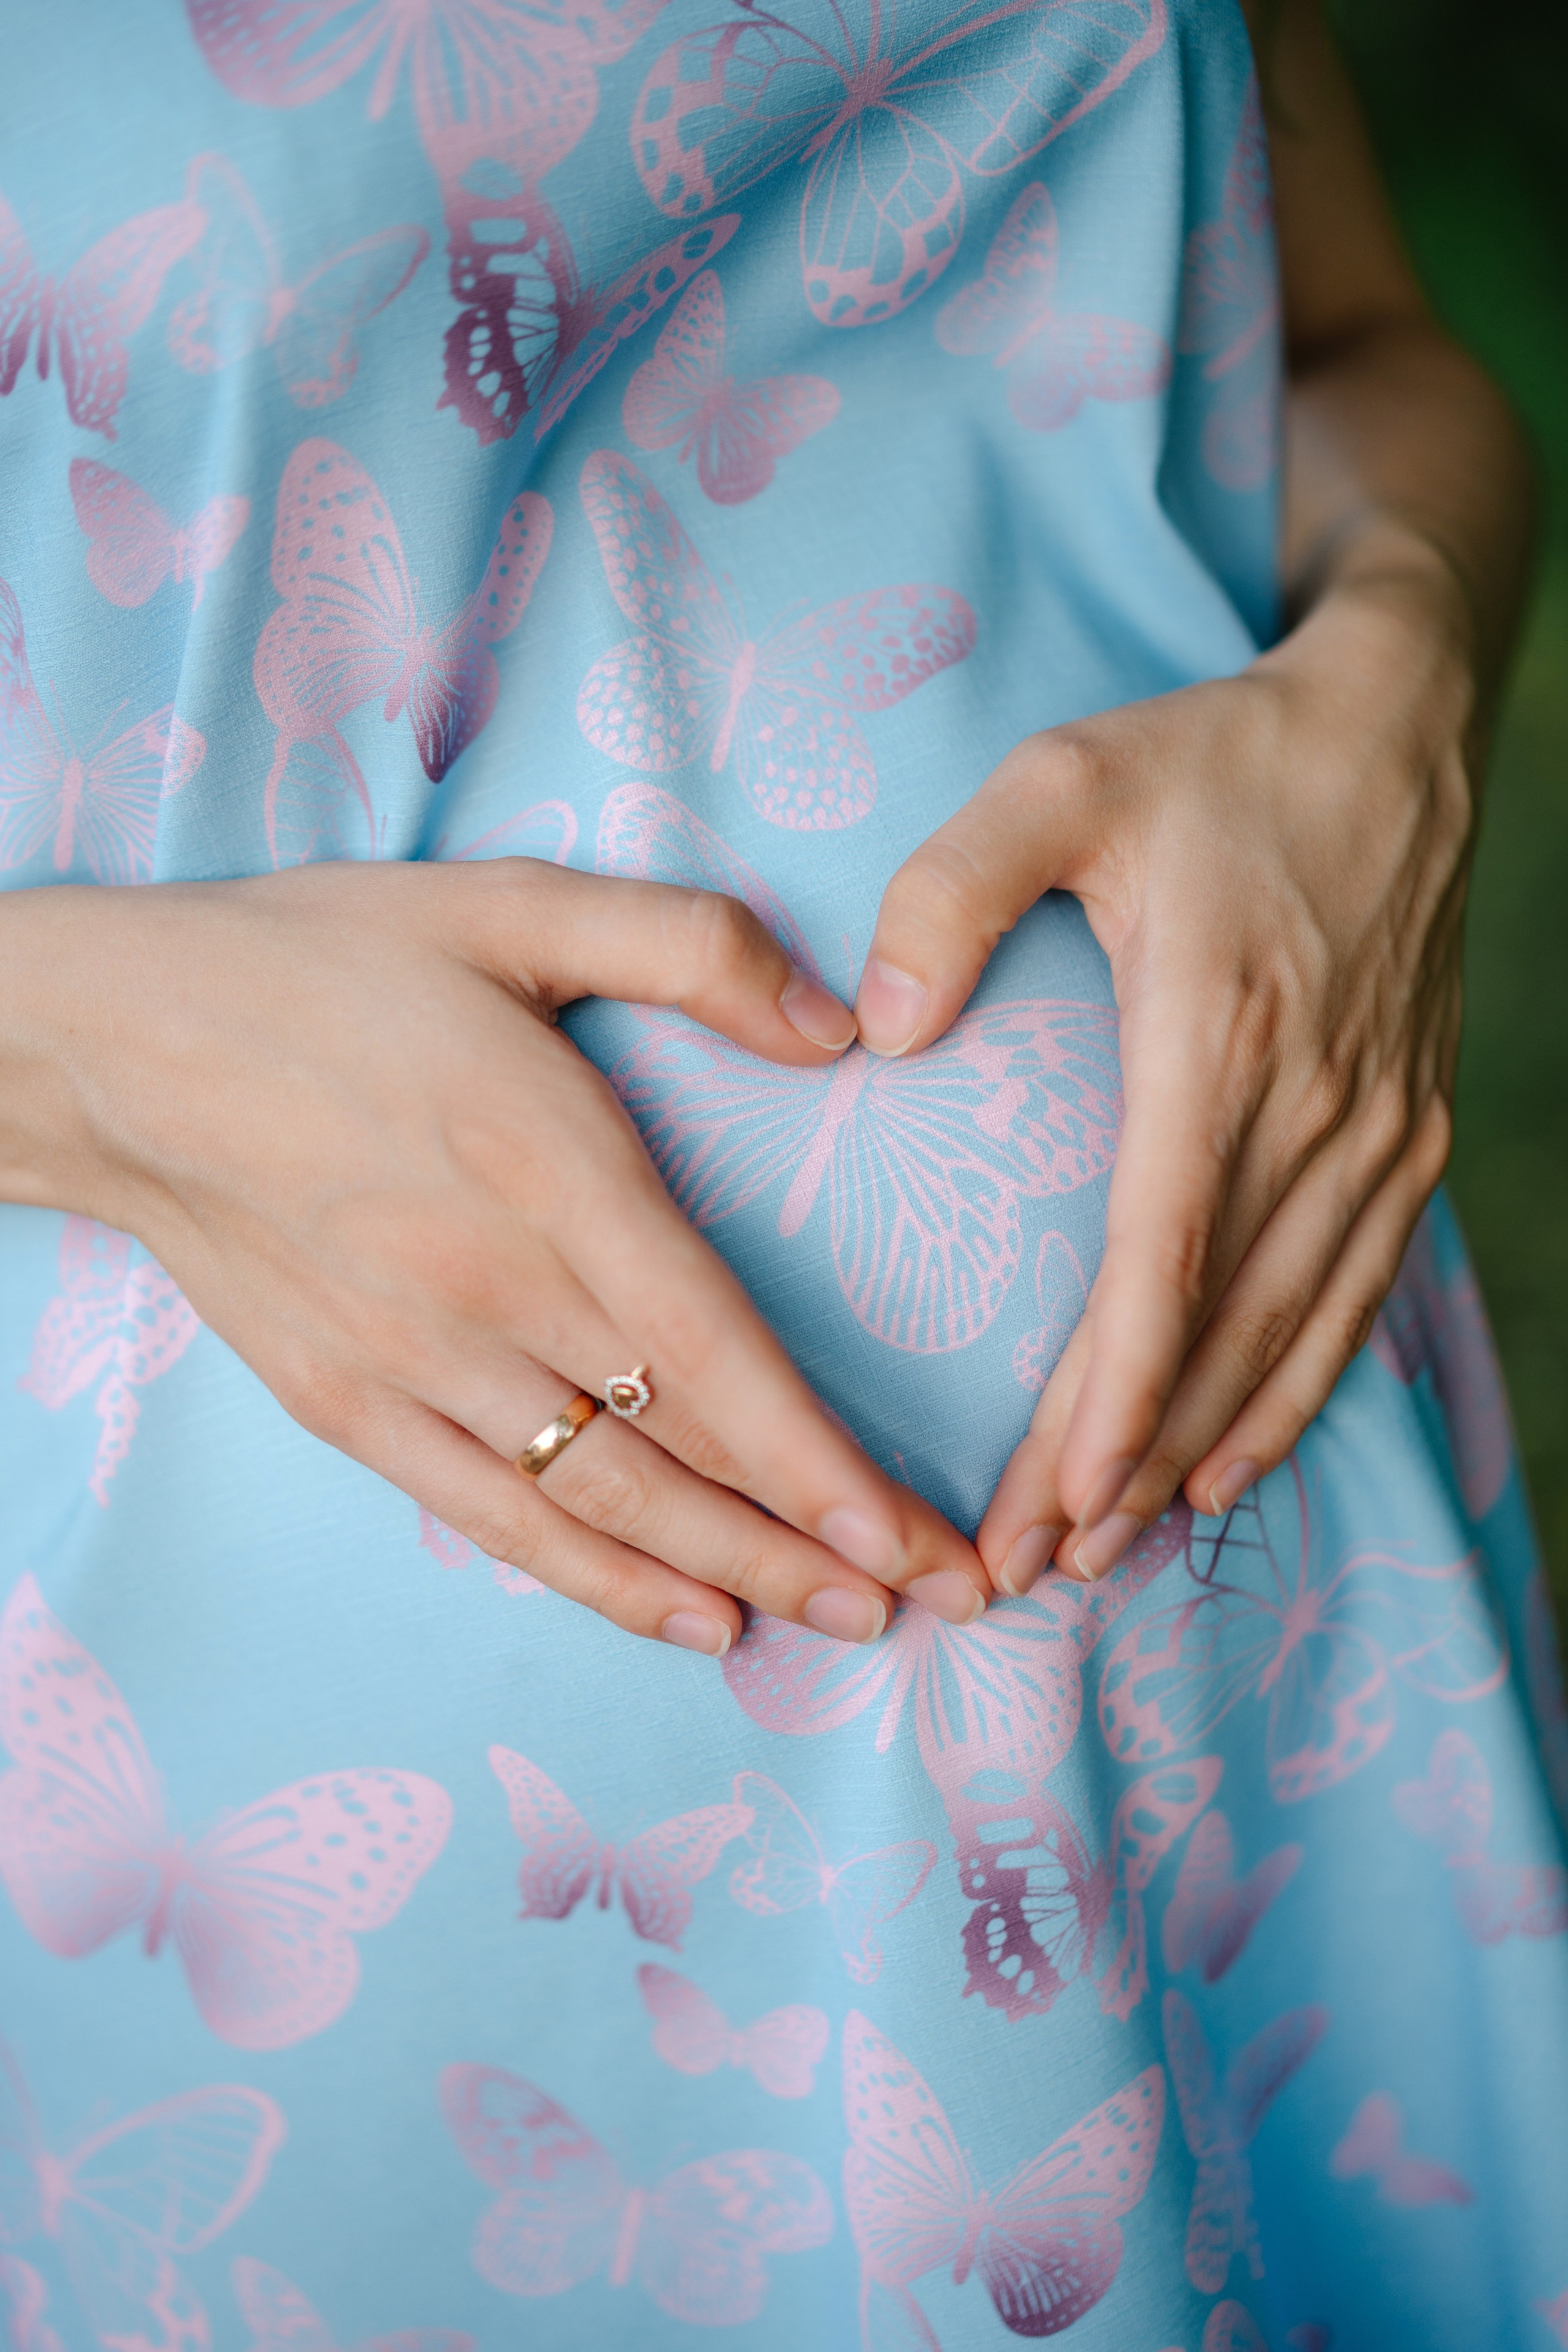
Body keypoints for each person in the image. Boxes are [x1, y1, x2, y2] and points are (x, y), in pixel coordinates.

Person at [1, 0, 1564, 2343]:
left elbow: (1341, 338)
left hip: (1248, 1664)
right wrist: (78, 1049)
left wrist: (1395, 681)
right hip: (271, 1767)